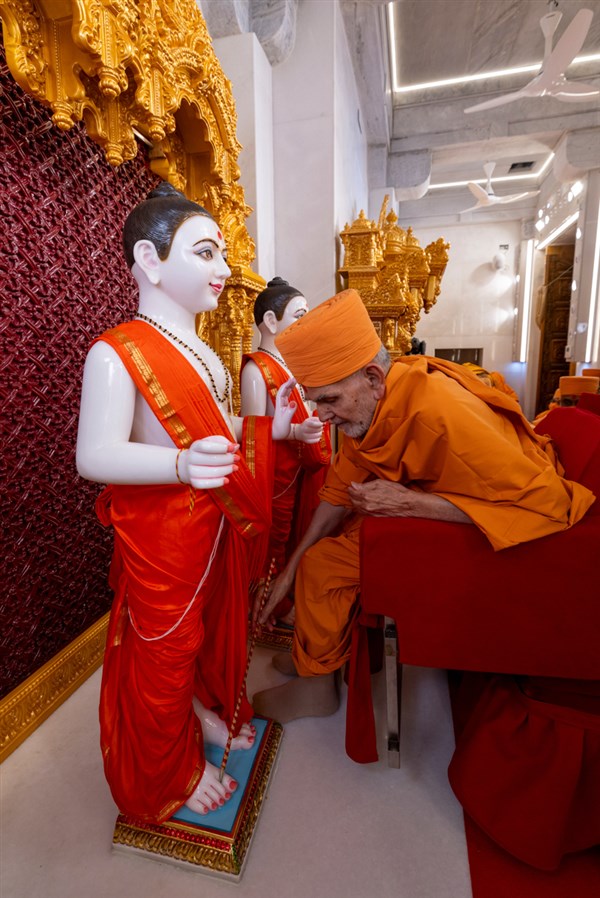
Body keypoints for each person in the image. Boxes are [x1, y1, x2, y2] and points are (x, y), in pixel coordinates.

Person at [76, 183, 318, 823]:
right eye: (206, 253)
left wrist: (284, 433)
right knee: (166, 649)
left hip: (214, 521)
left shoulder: (207, 352)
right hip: (162, 535)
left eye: (222, 254)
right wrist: (179, 464)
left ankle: (203, 714)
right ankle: (169, 775)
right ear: (150, 263)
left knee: (209, 632)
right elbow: (93, 455)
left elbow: (221, 426)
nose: (224, 270)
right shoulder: (116, 351)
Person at [251, 289, 596, 723]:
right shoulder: (377, 406)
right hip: (443, 508)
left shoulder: (440, 415)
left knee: (323, 566)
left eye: (329, 400)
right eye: (315, 399)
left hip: (505, 525)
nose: (319, 417)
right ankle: (313, 661)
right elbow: (338, 493)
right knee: (319, 550)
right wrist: (285, 573)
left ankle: (318, 687)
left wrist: (414, 505)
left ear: (374, 379)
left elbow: (546, 504)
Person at [240, 277, 331, 625]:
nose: (305, 323)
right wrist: (294, 429)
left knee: (301, 533)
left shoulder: (290, 364)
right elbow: (253, 431)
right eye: (299, 315)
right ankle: (270, 606)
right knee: (274, 543)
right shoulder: (256, 370)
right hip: (275, 472)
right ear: (271, 322)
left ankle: (289, 596)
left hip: (300, 465)